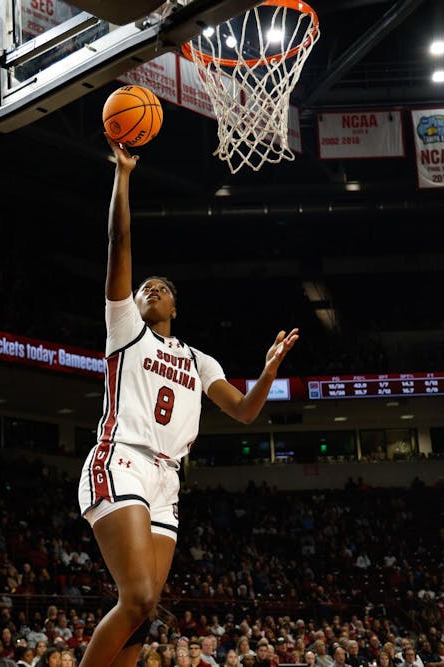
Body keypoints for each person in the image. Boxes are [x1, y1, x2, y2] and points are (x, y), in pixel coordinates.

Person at [75, 135, 299, 667]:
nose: (150, 289)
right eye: (143, 286)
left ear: (176, 303)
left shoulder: (201, 361)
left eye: (161, 286)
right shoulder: (126, 329)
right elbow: (120, 242)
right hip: (121, 457)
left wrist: (267, 373)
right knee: (138, 597)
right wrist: (123, 175)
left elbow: (244, 411)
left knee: (147, 610)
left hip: (168, 479)